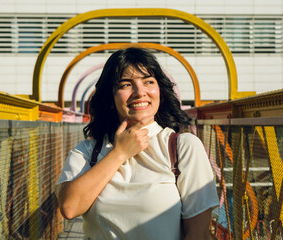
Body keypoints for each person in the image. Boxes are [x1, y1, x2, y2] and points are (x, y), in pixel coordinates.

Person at [56, 47, 219, 240]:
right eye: (126, 85)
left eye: (148, 82)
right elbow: (69, 207)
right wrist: (119, 154)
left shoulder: (183, 146)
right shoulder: (87, 151)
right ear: (111, 97)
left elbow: (198, 234)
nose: (140, 92)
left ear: (160, 91)